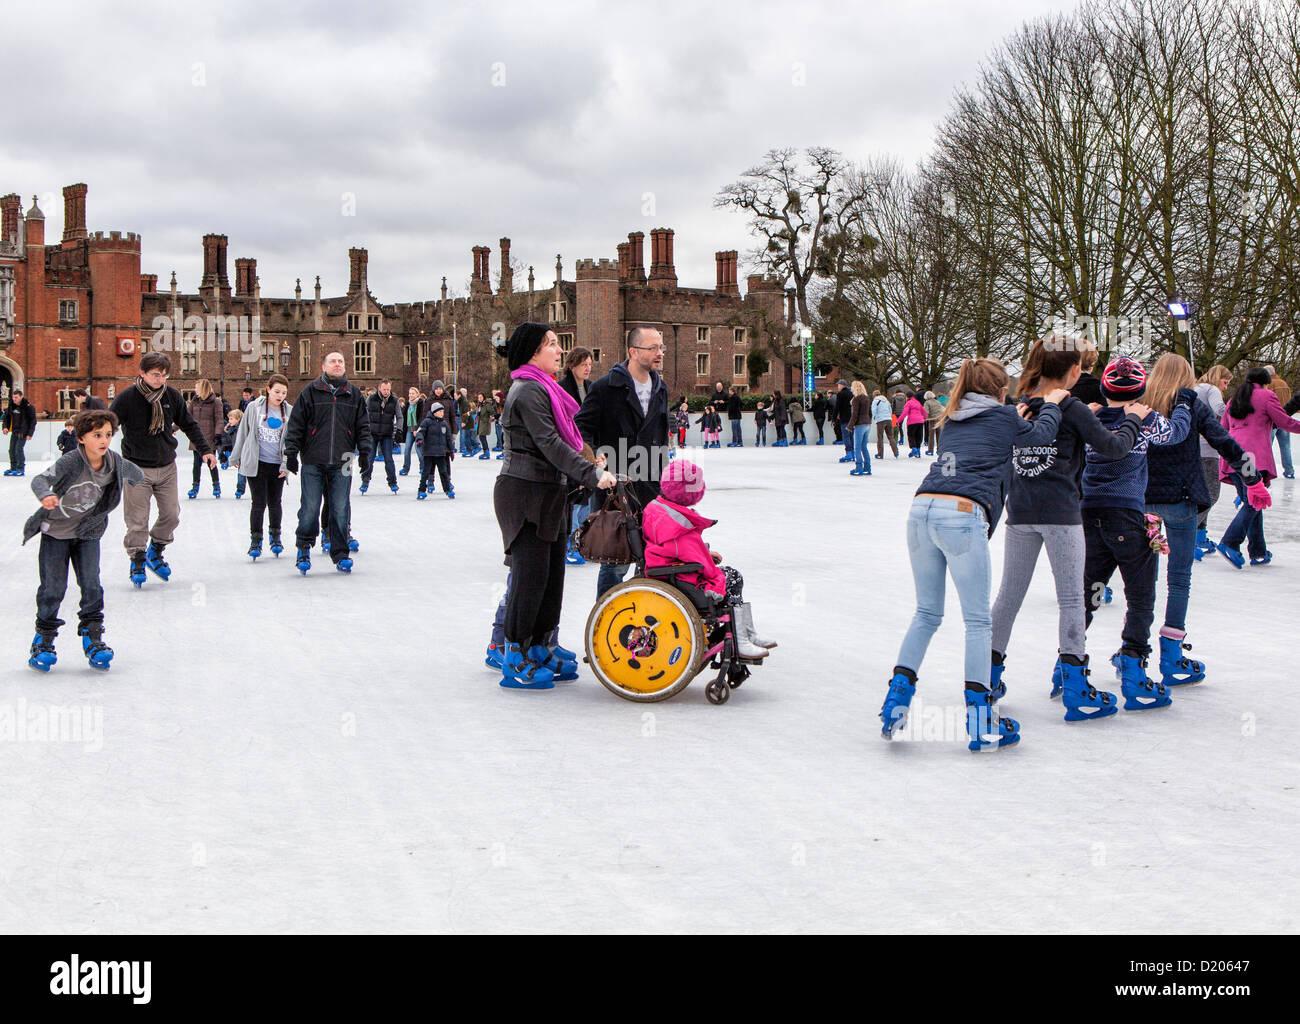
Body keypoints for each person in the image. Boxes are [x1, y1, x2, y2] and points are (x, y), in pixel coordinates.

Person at [879, 357, 1066, 752]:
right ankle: (981, 719)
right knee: (979, 622)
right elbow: (1040, 436)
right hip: (962, 514)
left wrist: (1014, 414)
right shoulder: (1003, 417)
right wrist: (1052, 404)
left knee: (927, 613)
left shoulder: (950, 417)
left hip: (921, 509)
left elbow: (992, 433)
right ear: (1001, 391)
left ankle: (896, 700)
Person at [989, 334, 1146, 720]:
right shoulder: (1072, 406)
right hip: (1060, 513)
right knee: (1073, 599)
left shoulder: (1019, 404)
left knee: (1008, 596)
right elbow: (1112, 448)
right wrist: (1132, 420)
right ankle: (1076, 686)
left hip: (1021, 512)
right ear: (1075, 370)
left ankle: (986, 677)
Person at [494, 322, 615, 688]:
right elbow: (550, 444)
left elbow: (568, 442)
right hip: (524, 493)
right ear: (533, 352)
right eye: (552, 345)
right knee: (529, 579)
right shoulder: (527, 391)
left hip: (549, 491)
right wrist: (590, 476)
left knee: (551, 578)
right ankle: (515, 653)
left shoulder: (547, 390)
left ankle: (542, 645)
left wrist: (588, 465)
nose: (560, 351)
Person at [1080, 355, 1195, 712]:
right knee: (1141, 596)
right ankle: (1132, 667)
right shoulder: (1146, 420)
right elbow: (1176, 434)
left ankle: (1067, 665)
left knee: (1089, 593)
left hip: (1089, 514)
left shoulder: (1092, 417)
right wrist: (1183, 406)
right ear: (1141, 390)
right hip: (1127, 518)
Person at [1145, 353, 1261, 688]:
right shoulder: (1190, 404)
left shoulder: (1142, 402)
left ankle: (1134, 649)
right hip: (1181, 501)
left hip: (1145, 504)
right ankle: (1170, 653)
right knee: (1178, 579)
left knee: (1144, 580)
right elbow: (1223, 441)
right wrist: (1251, 478)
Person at [23, 409, 144, 672]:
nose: (104, 440)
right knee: (53, 588)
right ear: (81, 438)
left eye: (108, 435)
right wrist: (45, 495)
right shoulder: (70, 462)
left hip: (88, 533)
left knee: (91, 586)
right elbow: (40, 479)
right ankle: (42, 641)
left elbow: (138, 474)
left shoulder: (115, 462)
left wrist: (137, 479)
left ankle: (94, 638)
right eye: (97, 435)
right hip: (56, 533)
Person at [642, 458, 775, 660]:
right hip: (682, 581)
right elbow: (695, 559)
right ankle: (742, 638)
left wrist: (704, 553)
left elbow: (679, 549)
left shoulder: (659, 509)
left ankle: (746, 633)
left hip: (670, 568)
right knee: (732, 578)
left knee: (730, 577)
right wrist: (707, 559)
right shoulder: (679, 525)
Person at [575, 325, 670, 599]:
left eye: (661, 347)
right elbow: (581, 427)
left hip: (651, 487)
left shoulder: (660, 388)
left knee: (651, 559)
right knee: (615, 564)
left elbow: (661, 436)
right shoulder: (606, 387)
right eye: (652, 348)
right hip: (616, 489)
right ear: (633, 351)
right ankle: (604, 620)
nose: (659, 353)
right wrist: (594, 460)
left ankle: (641, 622)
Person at [110, 352, 215, 585]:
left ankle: (155, 550)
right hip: (136, 466)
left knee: (171, 514)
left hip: (166, 465)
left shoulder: (172, 396)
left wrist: (206, 450)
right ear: (142, 373)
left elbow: (189, 424)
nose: (160, 379)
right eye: (155, 375)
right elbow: (109, 424)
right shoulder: (127, 397)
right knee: (137, 519)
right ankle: (137, 559)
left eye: (164, 375)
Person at [283, 351, 372, 574]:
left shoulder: (353, 395)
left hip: (343, 458)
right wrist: (291, 453)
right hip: (313, 457)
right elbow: (296, 425)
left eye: (340, 361)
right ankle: (303, 546)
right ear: (323, 366)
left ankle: (340, 552)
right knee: (310, 507)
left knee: (340, 508)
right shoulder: (310, 392)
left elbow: (363, 427)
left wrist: (366, 454)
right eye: (333, 361)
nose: (337, 364)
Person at [1217, 366, 1300, 568]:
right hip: (1253, 458)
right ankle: (1230, 542)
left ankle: (1258, 551)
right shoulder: (1266, 396)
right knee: (1254, 502)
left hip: (1232, 455)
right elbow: (1283, 421)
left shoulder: (1234, 398)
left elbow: (1223, 427)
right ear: (1266, 381)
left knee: (1253, 500)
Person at [230, 374, 292, 560]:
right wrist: (235, 456)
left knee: (275, 502)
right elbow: (243, 432)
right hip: (256, 462)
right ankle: (255, 540)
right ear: (268, 389)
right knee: (258, 503)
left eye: (283, 392)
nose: (280, 395)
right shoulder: (253, 407)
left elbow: (291, 441)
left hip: (277, 464)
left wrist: (286, 464)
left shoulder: (289, 411)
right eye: (276, 391)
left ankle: (275, 537)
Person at [1192, 364, 1232, 558]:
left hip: (1192, 449)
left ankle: (1199, 535)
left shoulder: (1196, 388)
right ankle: (1190, 535)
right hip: (1208, 448)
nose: (1225, 387)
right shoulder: (1212, 389)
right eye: (1226, 382)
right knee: (1211, 494)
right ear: (1219, 378)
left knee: (1200, 492)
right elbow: (1221, 409)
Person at [361, 379, 402, 494]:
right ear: (379, 388)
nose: (386, 391)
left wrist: (399, 430)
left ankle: (393, 482)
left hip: (387, 434)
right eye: (384, 389)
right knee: (369, 458)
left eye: (388, 389)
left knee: (389, 459)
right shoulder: (371, 398)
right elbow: (364, 413)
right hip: (372, 434)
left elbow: (399, 416)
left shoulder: (394, 400)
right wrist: (364, 428)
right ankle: (365, 480)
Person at [186, 379, 224, 498]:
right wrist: (172, 429)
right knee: (196, 464)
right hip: (197, 437)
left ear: (203, 388)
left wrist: (218, 435)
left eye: (197, 387)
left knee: (211, 463)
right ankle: (195, 486)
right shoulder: (194, 401)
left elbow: (219, 420)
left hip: (209, 438)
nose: (195, 390)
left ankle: (216, 485)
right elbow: (186, 417)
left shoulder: (215, 402)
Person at [414, 403, 455, 499]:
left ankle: (448, 489)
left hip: (441, 453)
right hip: (429, 453)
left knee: (444, 472)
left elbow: (448, 439)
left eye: (443, 411)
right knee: (426, 473)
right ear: (434, 412)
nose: (442, 413)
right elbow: (420, 432)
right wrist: (419, 439)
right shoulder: (426, 422)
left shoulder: (444, 424)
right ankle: (421, 490)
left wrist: (451, 450)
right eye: (440, 411)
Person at [1266, 365, 1295, 479]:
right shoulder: (1284, 384)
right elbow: (1291, 401)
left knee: (1267, 446)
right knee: (1286, 446)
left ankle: (1267, 470)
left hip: (1272, 420)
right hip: (1284, 419)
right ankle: (1289, 470)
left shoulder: (1269, 385)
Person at [2, 387, 36, 476]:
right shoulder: (12, 406)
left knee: (18, 449)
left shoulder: (28, 407)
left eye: (16, 397)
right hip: (15, 431)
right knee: (11, 450)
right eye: (13, 397)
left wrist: (30, 433)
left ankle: (20, 468)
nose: (14, 399)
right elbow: (6, 418)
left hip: (23, 432)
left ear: (21, 397)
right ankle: (13, 467)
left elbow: (33, 421)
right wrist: (5, 427)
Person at [398, 386, 426, 476]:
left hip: (418, 430)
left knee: (419, 450)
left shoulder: (420, 403)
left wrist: (417, 429)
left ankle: (423, 468)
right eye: (409, 393)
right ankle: (405, 468)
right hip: (409, 430)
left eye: (413, 393)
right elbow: (404, 417)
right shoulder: (408, 404)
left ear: (417, 394)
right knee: (407, 450)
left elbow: (421, 417)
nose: (410, 395)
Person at [847, 381, 872, 476]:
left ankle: (859, 468)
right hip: (867, 424)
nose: (851, 389)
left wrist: (850, 425)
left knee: (857, 447)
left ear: (855, 388)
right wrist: (869, 421)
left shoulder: (856, 399)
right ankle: (867, 467)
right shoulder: (866, 398)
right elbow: (870, 412)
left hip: (860, 425)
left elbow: (855, 414)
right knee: (864, 447)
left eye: (852, 387)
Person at [221, 408, 245, 498]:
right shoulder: (232, 430)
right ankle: (240, 489)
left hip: (245, 452)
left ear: (238, 419)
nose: (229, 421)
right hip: (238, 452)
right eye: (229, 419)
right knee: (241, 471)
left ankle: (241, 489)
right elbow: (232, 443)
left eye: (231, 419)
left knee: (244, 471)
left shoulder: (241, 429)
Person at [897, 391, 926, 457]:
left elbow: (904, 413)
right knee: (918, 436)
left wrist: (898, 421)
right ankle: (918, 451)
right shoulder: (918, 402)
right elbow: (923, 411)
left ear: (907, 396)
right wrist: (924, 418)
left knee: (911, 435)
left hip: (912, 422)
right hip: (920, 421)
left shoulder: (908, 403)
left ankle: (914, 449)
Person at [871, 388, 898, 459]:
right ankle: (896, 452)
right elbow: (890, 411)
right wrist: (888, 417)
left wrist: (874, 418)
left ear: (874, 395)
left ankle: (880, 454)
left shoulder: (875, 401)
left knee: (880, 437)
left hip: (880, 420)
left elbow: (873, 411)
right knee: (890, 436)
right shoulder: (886, 401)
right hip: (889, 419)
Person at [834, 380, 853, 462]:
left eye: (838, 385)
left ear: (842, 385)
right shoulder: (851, 393)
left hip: (844, 418)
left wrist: (834, 417)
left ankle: (848, 453)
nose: (838, 386)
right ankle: (853, 453)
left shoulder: (840, 394)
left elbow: (837, 406)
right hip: (852, 418)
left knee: (846, 436)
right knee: (851, 436)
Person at [457, 387, 476, 456]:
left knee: (466, 435)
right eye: (462, 392)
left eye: (464, 392)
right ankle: (465, 448)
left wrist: (465, 420)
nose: (463, 394)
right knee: (464, 435)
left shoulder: (465, 401)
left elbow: (466, 411)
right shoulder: (460, 401)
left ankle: (468, 448)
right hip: (461, 418)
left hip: (466, 419)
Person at [923, 391, 944, 455]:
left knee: (931, 435)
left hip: (932, 420)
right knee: (939, 435)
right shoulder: (938, 402)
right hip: (939, 419)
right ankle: (939, 450)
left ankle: (930, 450)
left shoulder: (927, 403)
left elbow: (926, 412)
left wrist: (924, 418)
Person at [476, 392, 495, 459]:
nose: (479, 399)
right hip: (481, 423)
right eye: (478, 398)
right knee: (482, 437)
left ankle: (486, 453)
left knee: (482, 437)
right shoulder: (480, 405)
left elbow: (492, 412)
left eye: (481, 397)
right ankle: (486, 452)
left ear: (483, 397)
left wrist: (491, 417)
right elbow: (478, 412)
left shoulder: (487, 404)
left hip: (485, 423)